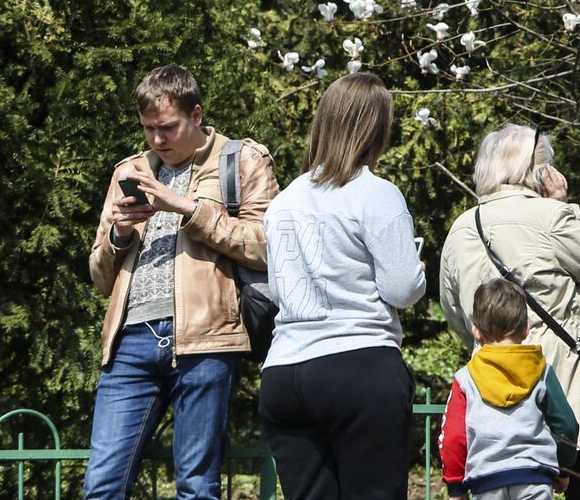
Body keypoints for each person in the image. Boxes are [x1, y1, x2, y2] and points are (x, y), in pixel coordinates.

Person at [83, 66, 278, 500]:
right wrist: (119, 236)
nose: (157, 140)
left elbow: (267, 246)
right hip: (130, 342)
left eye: (168, 127)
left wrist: (188, 210)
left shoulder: (241, 159)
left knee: (196, 487)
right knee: (101, 486)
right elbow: (98, 276)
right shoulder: (128, 172)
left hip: (206, 340)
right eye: (149, 129)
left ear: (196, 114)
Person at [260, 72, 427, 500]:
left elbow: (282, 291)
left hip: (284, 372)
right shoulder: (376, 193)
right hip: (358, 362)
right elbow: (403, 288)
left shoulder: (283, 202)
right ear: (376, 128)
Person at [439, 126, 580, 498]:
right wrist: (563, 204)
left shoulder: (461, 228)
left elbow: (455, 310)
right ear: (540, 172)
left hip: (492, 402)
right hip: (564, 385)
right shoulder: (550, 216)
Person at [439, 278, 579, 500]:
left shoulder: (465, 379)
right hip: (535, 475)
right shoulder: (541, 372)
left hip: (486, 480)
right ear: (526, 329)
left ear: (476, 331)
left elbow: (454, 438)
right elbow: (567, 426)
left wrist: (456, 488)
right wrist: (563, 469)